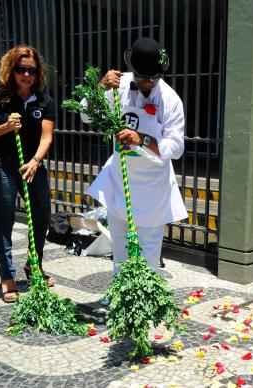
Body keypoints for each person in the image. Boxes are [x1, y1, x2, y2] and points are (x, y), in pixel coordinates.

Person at [85, 37, 188, 275]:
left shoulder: (170, 100)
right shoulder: (117, 86)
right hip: (120, 181)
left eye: (153, 78)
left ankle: (147, 299)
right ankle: (121, 298)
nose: (148, 82)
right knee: (120, 250)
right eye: (143, 77)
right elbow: (86, 115)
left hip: (152, 186)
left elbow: (175, 147)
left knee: (148, 252)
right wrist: (99, 88)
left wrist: (143, 139)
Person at [0, 45, 55, 303]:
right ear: (11, 69)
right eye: (21, 69)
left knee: (42, 215)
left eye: (31, 70)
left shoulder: (43, 100)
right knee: (5, 216)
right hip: (1, 163)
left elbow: (47, 136)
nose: (26, 75)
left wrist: (35, 161)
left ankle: (35, 266)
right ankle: (7, 276)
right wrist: (6, 126)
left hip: (31, 165)